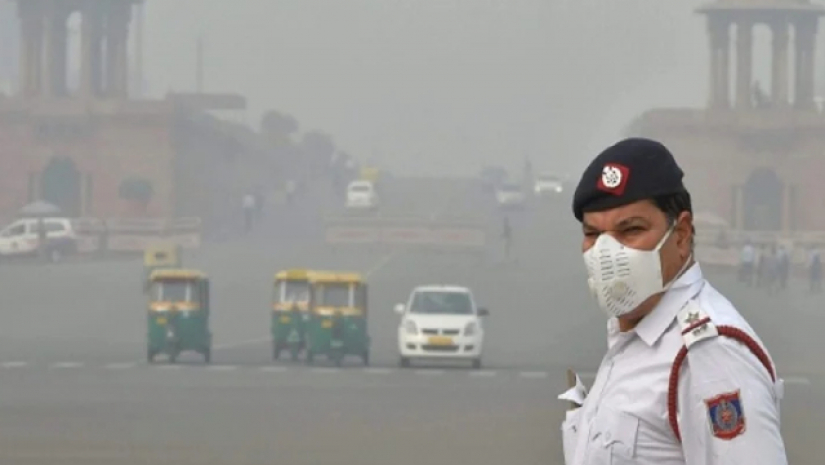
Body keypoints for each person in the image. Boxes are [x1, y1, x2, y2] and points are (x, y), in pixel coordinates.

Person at [560, 138, 786, 465]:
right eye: (593, 234)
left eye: (631, 230)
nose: (606, 253)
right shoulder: (635, 336)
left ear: (680, 235)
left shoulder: (709, 355)